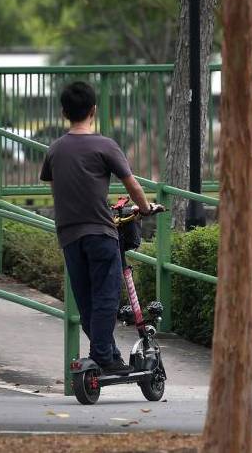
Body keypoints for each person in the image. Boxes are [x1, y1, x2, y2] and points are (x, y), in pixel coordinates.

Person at [40, 81, 163, 375]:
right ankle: (104, 358)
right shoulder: (105, 145)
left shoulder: (55, 150)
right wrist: (145, 208)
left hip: (69, 236)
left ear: (63, 112)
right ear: (94, 110)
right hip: (100, 232)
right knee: (106, 297)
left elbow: (58, 187)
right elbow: (131, 183)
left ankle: (108, 355)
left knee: (86, 304)